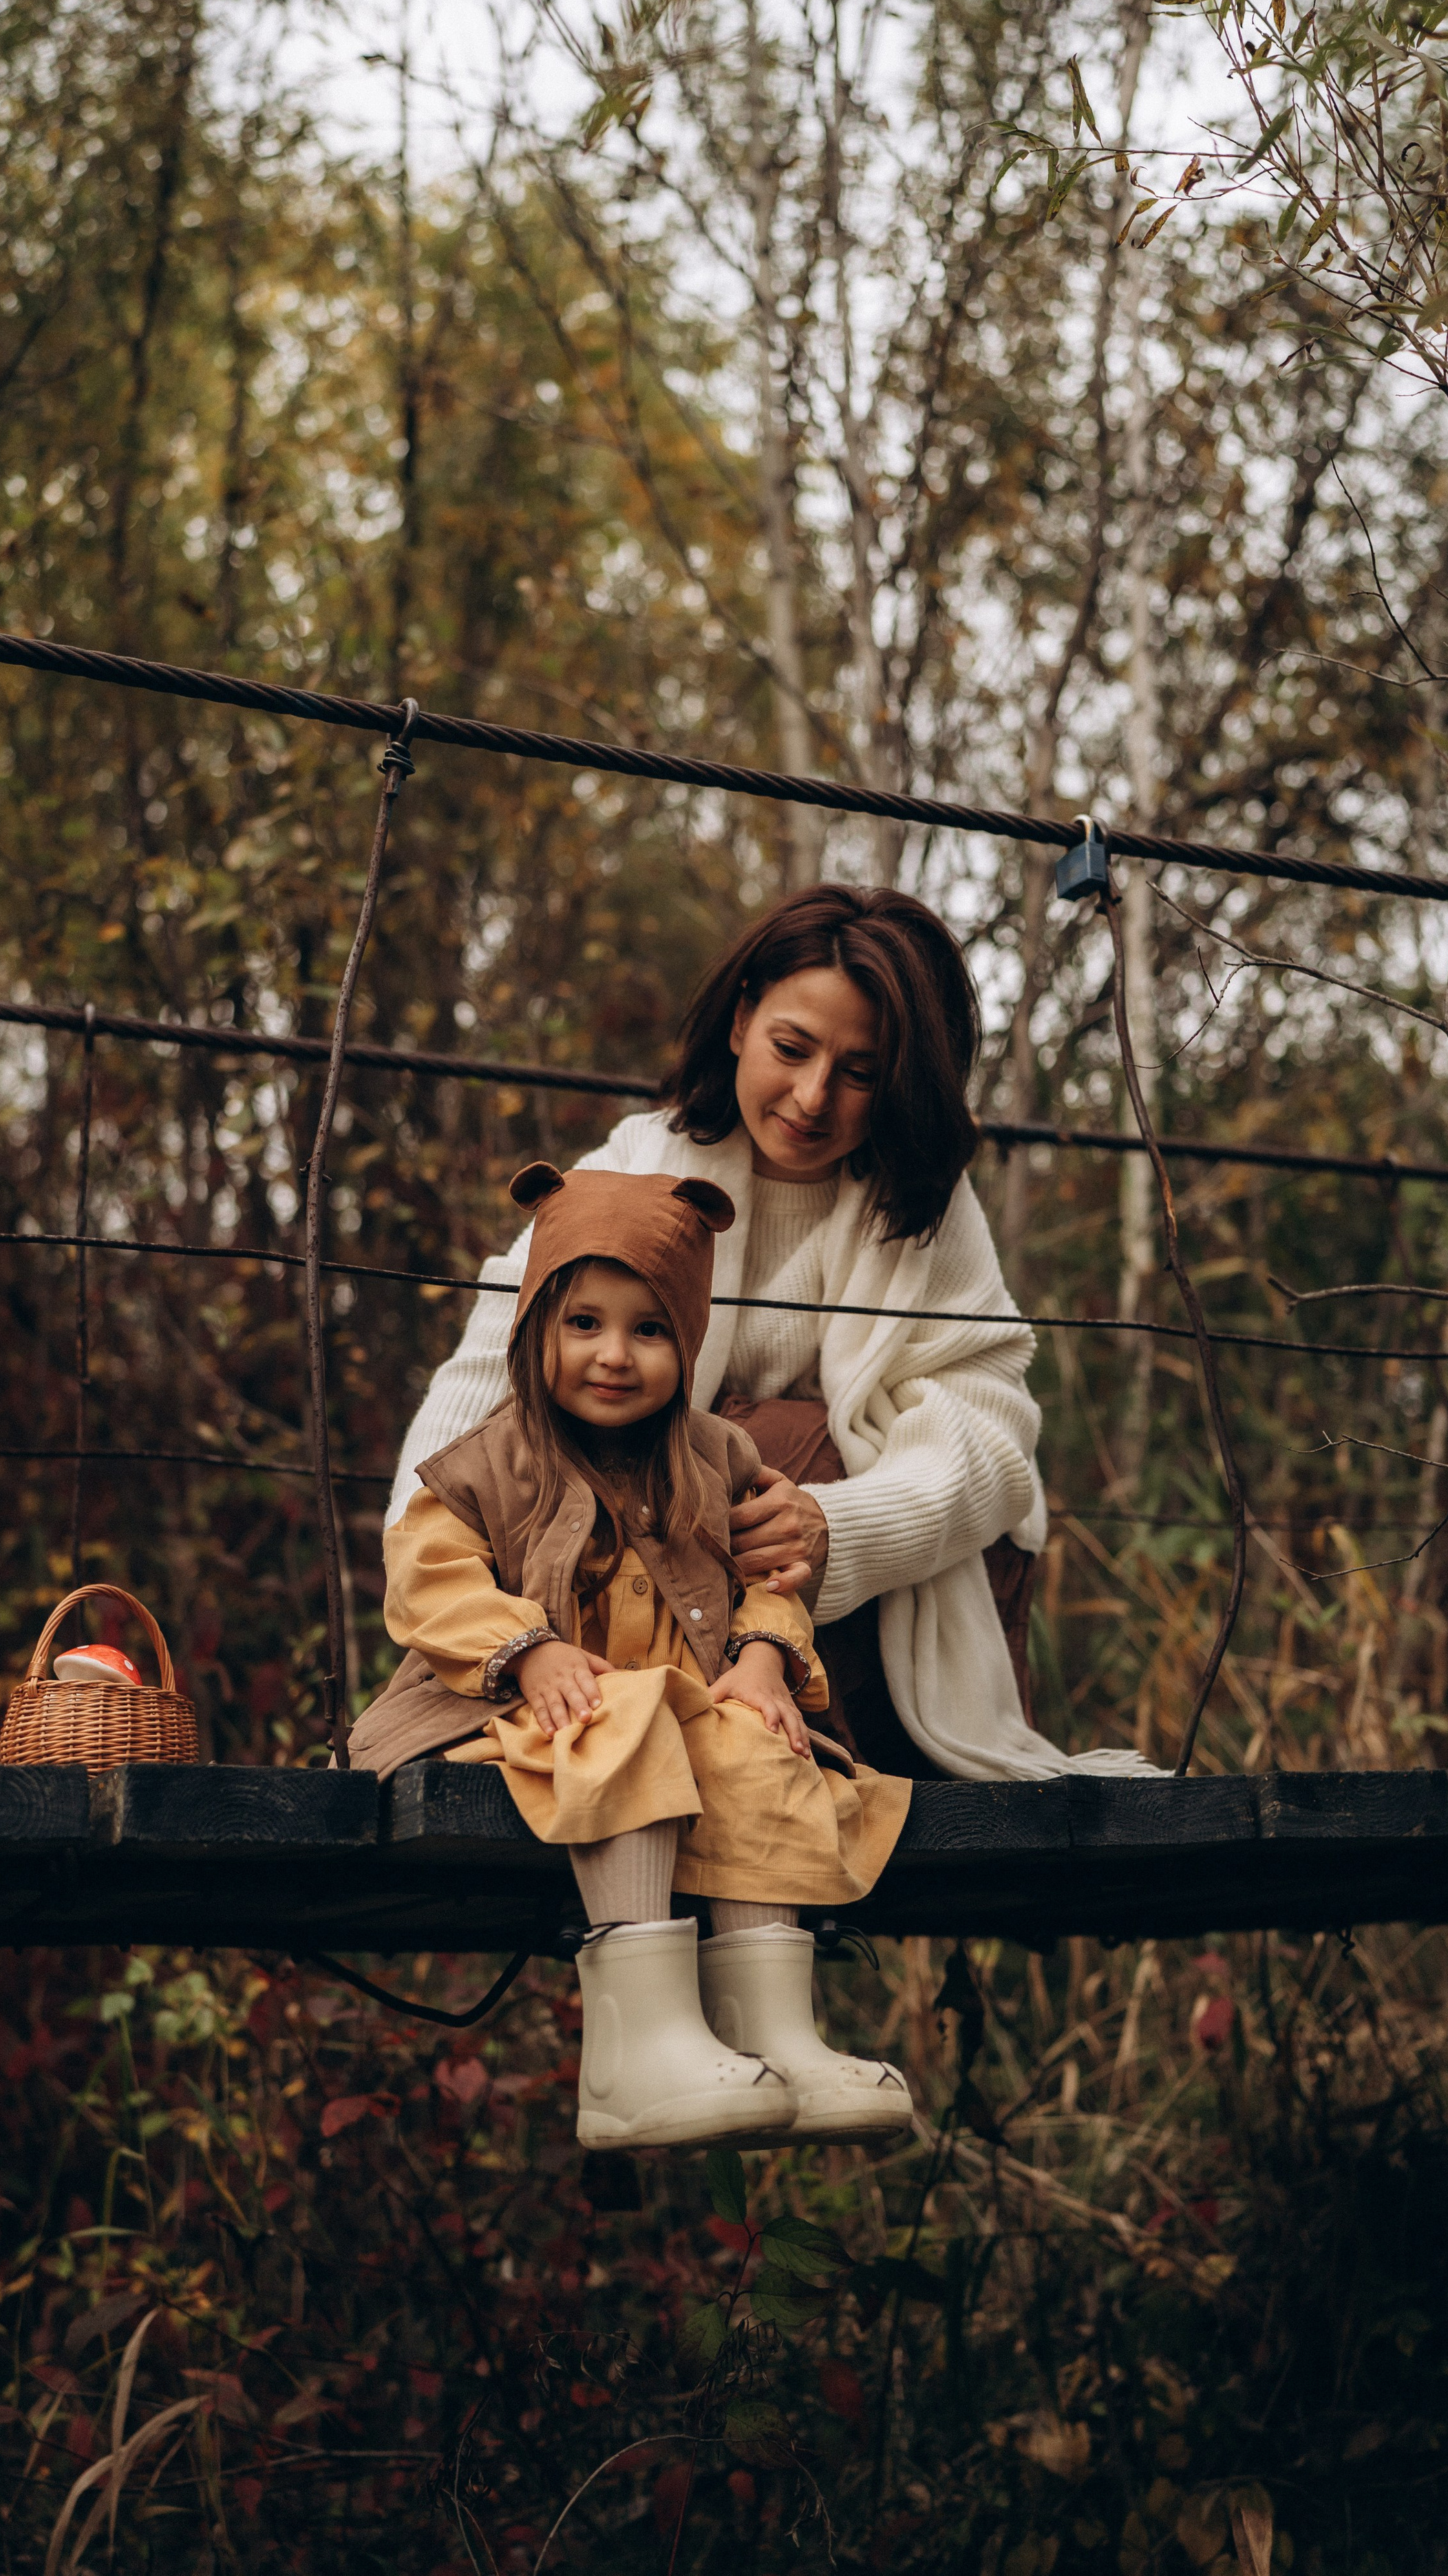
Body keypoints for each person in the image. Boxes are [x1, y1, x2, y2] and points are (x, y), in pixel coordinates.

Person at [383, 883, 1158, 1783]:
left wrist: (841, 1525)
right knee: (684, 1448)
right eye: (792, 1048)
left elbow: (990, 1437)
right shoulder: (638, 1163)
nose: (813, 1096)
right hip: (631, 1598)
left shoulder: (924, 1213)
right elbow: (494, 1373)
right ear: (742, 1018)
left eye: (861, 1073)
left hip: (827, 1615)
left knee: (777, 1444)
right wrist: (436, 1564)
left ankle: (783, 1766)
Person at [352, 1158, 913, 2153]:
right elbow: (426, 1573)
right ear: (536, 1331)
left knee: (755, 1741)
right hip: (524, 1716)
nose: (615, 1355)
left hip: (683, 1721)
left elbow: (772, 1583)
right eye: (585, 1324)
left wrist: (764, 1663)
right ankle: (638, 2054)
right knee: (625, 1712)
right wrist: (526, 1653)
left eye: (650, 1329)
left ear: (688, 1344)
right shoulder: (495, 1456)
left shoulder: (721, 1457)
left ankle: (771, 2038)